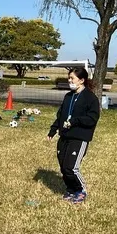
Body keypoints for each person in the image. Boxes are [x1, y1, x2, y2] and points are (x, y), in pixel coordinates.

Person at [47, 67, 100, 204]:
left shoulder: (90, 98)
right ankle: (71, 189)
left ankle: (81, 190)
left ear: (81, 80)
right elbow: (60, 116)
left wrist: (75, 121)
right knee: (64, 167)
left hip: (79, 137)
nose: (69, 80)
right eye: (69, 78)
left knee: (71, 167)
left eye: (72, 78)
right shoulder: (68, 96)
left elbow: (92, 118)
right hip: (64, 136)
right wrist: (53, 131)